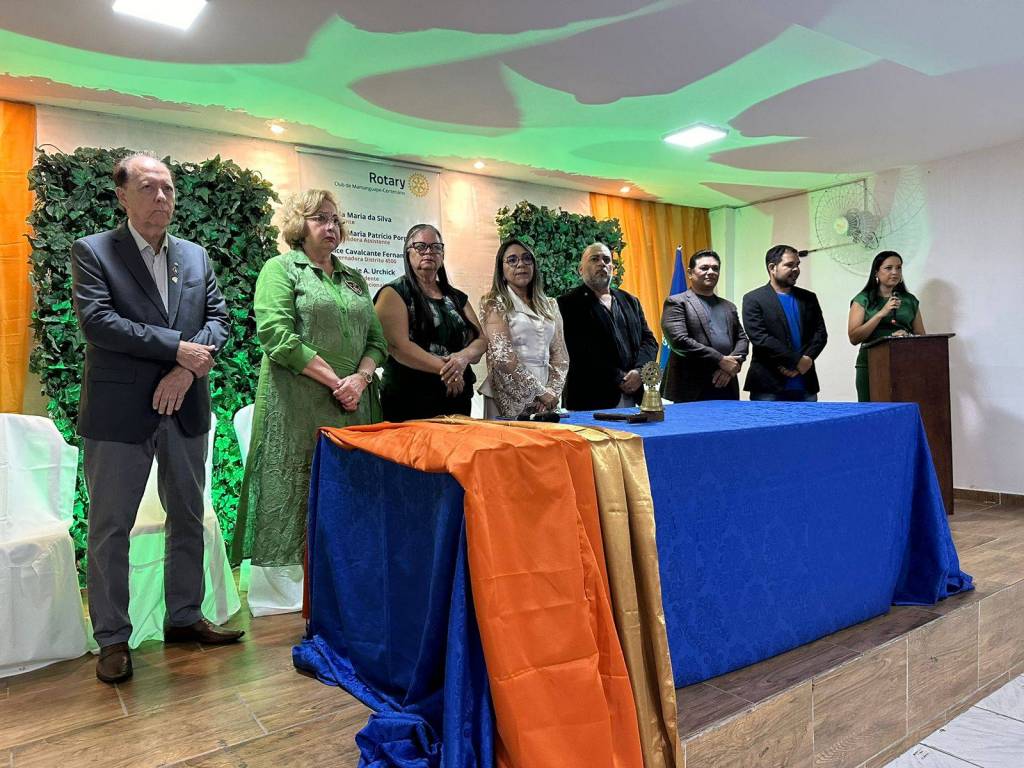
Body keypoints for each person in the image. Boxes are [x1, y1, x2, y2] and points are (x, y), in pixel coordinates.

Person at [71, 152, 240, 684]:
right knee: (110, 527)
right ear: (122, 195)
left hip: (185, 406)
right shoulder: (94, 251)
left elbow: (220, 320)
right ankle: (112, 638)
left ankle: (184, 617)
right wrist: (176, 349)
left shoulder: (194, 255)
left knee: (188, 515)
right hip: (119, 413)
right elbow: (99, 322)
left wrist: (184, 371)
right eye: (148, 187)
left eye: (168, 187)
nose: (162, 197)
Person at [234, 189, 387, 614]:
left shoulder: (354, 278)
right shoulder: (280, 269)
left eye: (335, 219)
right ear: (299, 224)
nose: (331, 226)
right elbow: (276, 335)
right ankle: (298, 598)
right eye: (320, 218)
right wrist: (337, 381)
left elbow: (377, 341)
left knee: (351, 493)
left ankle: (346, 588)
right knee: (298, 491)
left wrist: (360, 378)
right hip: (297, 405)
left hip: (354, 406)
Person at [374, 224, 486, 421]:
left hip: (457, 400)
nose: (429, 252)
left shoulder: (456, 297)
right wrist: (450, 371)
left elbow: (481, 340)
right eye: (420, 246)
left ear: (442, 255)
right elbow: (399, 348)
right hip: (408, 400)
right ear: (407, 253)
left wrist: (462, 358)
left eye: (436, 247)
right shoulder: (393, 293)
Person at [557, 242, 659, 410]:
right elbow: (576, 349)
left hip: (634, 395)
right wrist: (619, 378)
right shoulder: (567, 304)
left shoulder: (630, 301)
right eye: (594, 259)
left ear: (612, 268)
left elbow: (649, 341)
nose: (601, 263)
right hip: (590, 399)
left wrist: (639, 371)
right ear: (581, 269)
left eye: (606, 260)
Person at [478, 238, 569, 419]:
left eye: (527, 258)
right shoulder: (493, 302)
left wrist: (552, 392)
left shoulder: (550, 304)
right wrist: (538, 392)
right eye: (512, 260)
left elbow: (561, 357)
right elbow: (503, 357)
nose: (521, 264)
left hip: (547, 396)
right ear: (501, 270)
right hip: (508, 390)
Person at [742, 244, 828, 401]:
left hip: (805, 383)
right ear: (772, 268)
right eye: (789, 265)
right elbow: (760, 338)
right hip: (768, 385)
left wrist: (807, 360)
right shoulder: (753, 299)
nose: (796, 269)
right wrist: (797, 361)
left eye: (797, 265)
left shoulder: (809, 298)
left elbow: (820, 334)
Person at [661, 249, 749, 401]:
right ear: (690, 273)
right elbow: (679, 340)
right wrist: (720, 360)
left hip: (726, 383)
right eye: (704, 268)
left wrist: (730, 367)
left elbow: (742, 339)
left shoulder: (728, 306)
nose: (711, 272)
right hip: (690, 388)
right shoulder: (676, 302)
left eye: (715, 268)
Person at [847, 250, 925, 401]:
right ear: (876, 272)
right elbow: (854, 337)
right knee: (871, 410)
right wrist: (881, 313)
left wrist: (907, 337)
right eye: (888, 268)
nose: (895, 272)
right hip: (872, 363)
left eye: (899, 268)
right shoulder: (863, 299)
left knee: (902, 408)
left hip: (905, 362)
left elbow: (921, 336)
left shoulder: (910, 300)